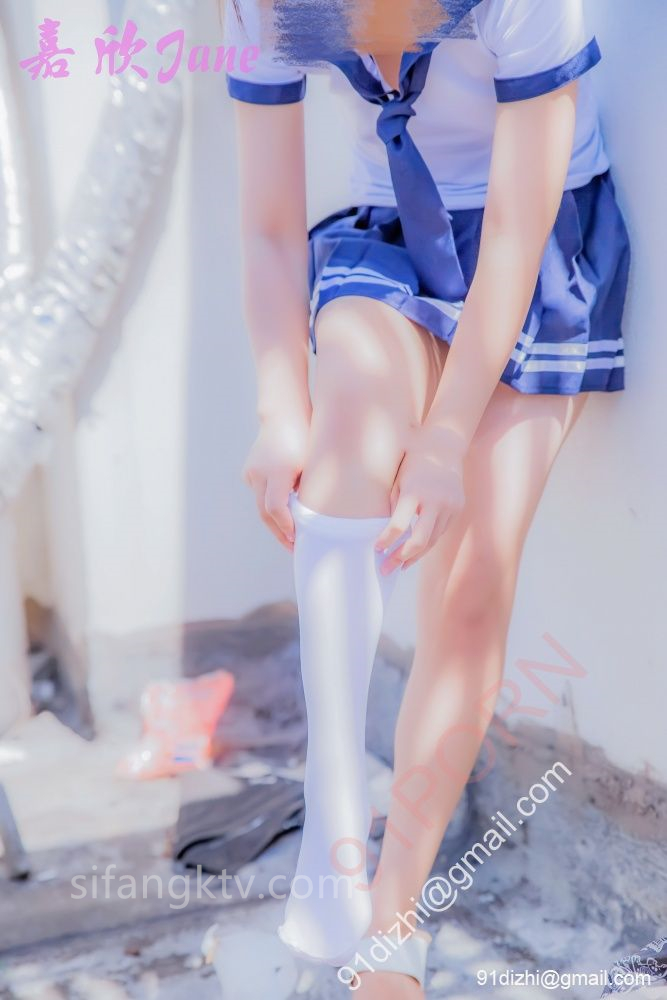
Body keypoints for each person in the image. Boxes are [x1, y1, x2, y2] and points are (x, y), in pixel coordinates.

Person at [223, 0, 631, 994]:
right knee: (340, 453)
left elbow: (516, 232)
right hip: (392, 234)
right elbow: (270, 228)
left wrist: (445, 438)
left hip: (537, 251)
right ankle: (332, 839)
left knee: (469, 583)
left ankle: (390, 930)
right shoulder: (261, 5)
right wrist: (279, 410)